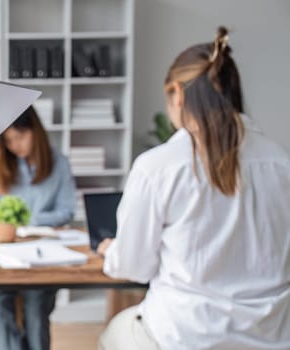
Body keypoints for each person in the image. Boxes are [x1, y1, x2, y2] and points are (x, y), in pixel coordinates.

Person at [97, 27, 290, 349]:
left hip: (185, 336)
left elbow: (133, 267)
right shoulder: (282, 163)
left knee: (114, 333)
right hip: (272, 336)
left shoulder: (157, 166)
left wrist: (111, 252)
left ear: (178, 93)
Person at [0, 106, 77, 350]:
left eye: (20, 137)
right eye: (9, 141)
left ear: (35, 132)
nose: (15, 145)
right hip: (2, 250)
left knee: (37, 303)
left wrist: (27, 220)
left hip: (41, 251)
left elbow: (67, 211)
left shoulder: (58, 163)